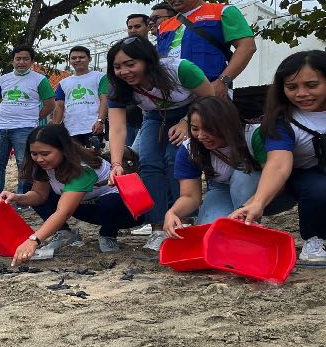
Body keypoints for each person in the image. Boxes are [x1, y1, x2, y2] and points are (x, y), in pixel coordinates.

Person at [106, 36, 214, 251]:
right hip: (156, 116)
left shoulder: (181, 69)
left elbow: (210, 98)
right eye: (117, 67)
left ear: (147, 61)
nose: (124, 72)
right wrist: (116, 163)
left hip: (194, 111)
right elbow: (117, 127)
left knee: (175, 159)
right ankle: (157, 227)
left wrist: (187, 123)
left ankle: (184, 220)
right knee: (148, 162)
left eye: (130, 64)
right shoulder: (119, 86)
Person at [231, 50, 326, 262]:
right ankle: (314, 239)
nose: (301, 93)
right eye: (292, 87)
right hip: (297, 177)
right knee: (319, 188)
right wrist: (258, 203)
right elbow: (278, 166)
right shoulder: (283, 121)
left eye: (312, 85)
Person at [4, 125, 140, 260]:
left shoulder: (82, 169)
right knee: (30, 185)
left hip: (125, 212)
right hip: (86, 205)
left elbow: (64, 212)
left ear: (63, 150)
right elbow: (39, 195)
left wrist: (33, 240)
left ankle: (108, 234)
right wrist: (17, 197)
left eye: (45, 154)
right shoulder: (44, 165)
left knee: (109, 203)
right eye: (34, 154)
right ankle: (65, 234)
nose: (39, 159)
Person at [164, 97, 271, 235]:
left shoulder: (254, 135)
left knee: (242, 175)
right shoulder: (190, 149)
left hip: (268, 191)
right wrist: (173, 212)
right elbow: (190, 196)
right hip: (222, 188)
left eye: (209, 129)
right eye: (195, 129)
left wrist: (255, 203)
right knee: (211, 232)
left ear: (227, 124)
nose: (201, 136)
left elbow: (277, 173)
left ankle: (248, 232)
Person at [157, 0, 256, 98]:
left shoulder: (223, 12)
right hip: (171, 100)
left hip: (210, 95)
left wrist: (223, 81)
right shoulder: (164, 26)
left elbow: (247, 47)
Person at [0, 45, 55, 210]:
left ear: (32, 61)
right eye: (18, 58)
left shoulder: (39, 80)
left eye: (25, 59)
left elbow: (50, 105)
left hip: (25, 128)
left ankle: (23, 199)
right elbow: (0, 99)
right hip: (1, 127)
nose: (21, 62)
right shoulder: (3, 79)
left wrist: (32, 118)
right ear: (12, 60)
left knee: (24, 163)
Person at [53, 46, 109, 146]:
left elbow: (104, 99)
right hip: (70, 130)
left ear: (89, 59)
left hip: (93, 128)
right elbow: (59, 107)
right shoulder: (63, 83)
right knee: (74, 160)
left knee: (94, 159)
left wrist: (100, 121)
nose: (77, 60)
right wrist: (54, 130)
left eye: (81, 57)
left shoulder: (101, 77)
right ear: (69, 60)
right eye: (73, 58)